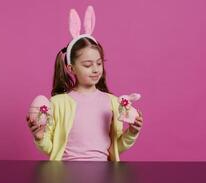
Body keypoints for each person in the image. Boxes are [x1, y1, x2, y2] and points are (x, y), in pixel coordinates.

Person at [26, 6, 143, 161]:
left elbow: (116, 147)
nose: (95, 70)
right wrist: (40, 137)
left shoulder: (113, 102)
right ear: (71, 68)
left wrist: (132, 132)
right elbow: (51, 149)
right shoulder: (57, 103)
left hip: (103, 176)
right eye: (88, 65)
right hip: (66, 176)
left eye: (99, 63)